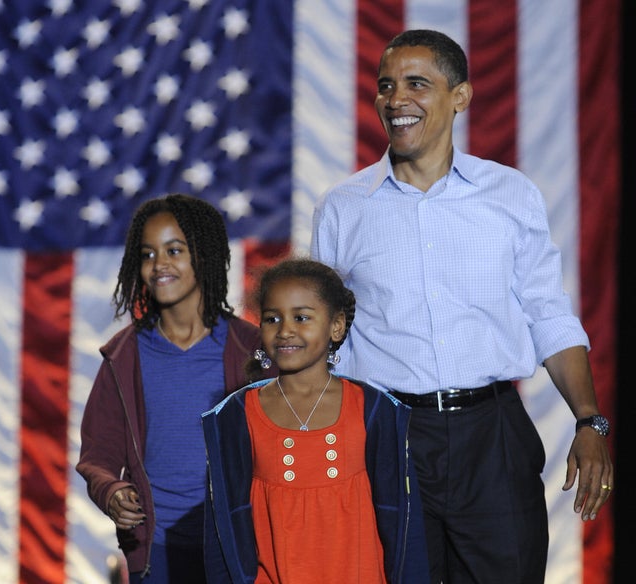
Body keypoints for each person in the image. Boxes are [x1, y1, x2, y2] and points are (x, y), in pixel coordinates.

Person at [310, 29, 613, 584]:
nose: (396, 99)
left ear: (461, 96)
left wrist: (590, 421)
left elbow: (548, 313)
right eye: (386, 86)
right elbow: (323, 338)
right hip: (387, 437)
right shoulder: (342, 208)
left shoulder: (511, 194)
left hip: (493, 436)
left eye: (416, 84)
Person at [76, 193, 275, 583]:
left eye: (174, 250)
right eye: (148, 254)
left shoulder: (252, 349)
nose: (158, 265)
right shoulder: (123, 357)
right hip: (157, 550)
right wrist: (111, 490)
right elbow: (97, 456)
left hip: (236, 546)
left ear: (204, 254)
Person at [201, 258, 429, 584]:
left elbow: (407, 528)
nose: (285, 330)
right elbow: (221, 533)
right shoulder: (235, 417)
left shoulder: (375, 409)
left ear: (336, 325)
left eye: (301, 317)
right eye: (272, 318)